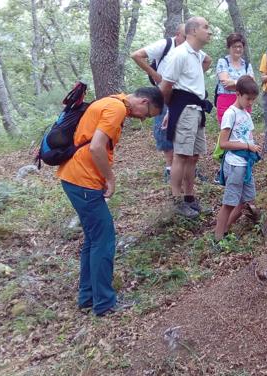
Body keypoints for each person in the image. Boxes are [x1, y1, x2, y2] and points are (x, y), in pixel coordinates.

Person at [57, 87, 164, 317]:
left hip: (75, 177)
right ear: (144, 101)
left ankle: (88, 297)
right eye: (147, 114)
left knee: (93, 240)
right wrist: (110, 178)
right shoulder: (116, 108)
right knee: (104, 240)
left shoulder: (112, 102)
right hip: (83, 180)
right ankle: (104, 303)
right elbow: (96, 146)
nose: (143, 119)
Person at [159, 17, 213, 217]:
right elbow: (165, 87)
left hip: (197, 109)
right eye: (205, 27)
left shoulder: (197, 54)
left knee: (194, 156)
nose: (209, 31)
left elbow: (208, 61)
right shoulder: (179, 54)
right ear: (192, 31)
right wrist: (171, 110)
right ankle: (176, 200)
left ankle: (190, 198)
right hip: (184, 110)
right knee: (181, 155)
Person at [130, 24, 186, 183]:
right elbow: (136, 55)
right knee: (164, 129)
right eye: (184, 36)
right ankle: (170, 169)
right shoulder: (165, 45)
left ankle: (185, 168)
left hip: (182, 94)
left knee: (183, 129)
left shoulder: (190, 49)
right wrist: (156, 75)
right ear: (177, 34)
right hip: (163, 93)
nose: (186, 40)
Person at [214, 76, 261, 240]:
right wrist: (247, 146)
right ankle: (218, 237)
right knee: (229, 203)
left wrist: (252, 149)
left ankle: (226, 229)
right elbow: (224, 143)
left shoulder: (246, 115)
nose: (250, 103)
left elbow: (248, 136)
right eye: (248, 99)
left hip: (245, 164)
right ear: (238, 94)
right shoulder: (230, 114)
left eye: (253, 100)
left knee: (246, 200)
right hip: (234, 164)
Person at [215, 33, 254, 123]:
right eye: (234, 46)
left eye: (240, 46)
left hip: (244, 101)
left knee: (243, 131)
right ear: (229, 48)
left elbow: (251, 86)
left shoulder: (247, 65)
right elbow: (226, 83)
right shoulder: (223, 62)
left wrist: (234, 82)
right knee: (227, 130)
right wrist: (243, 84)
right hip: (225, 100)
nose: (238, 49)